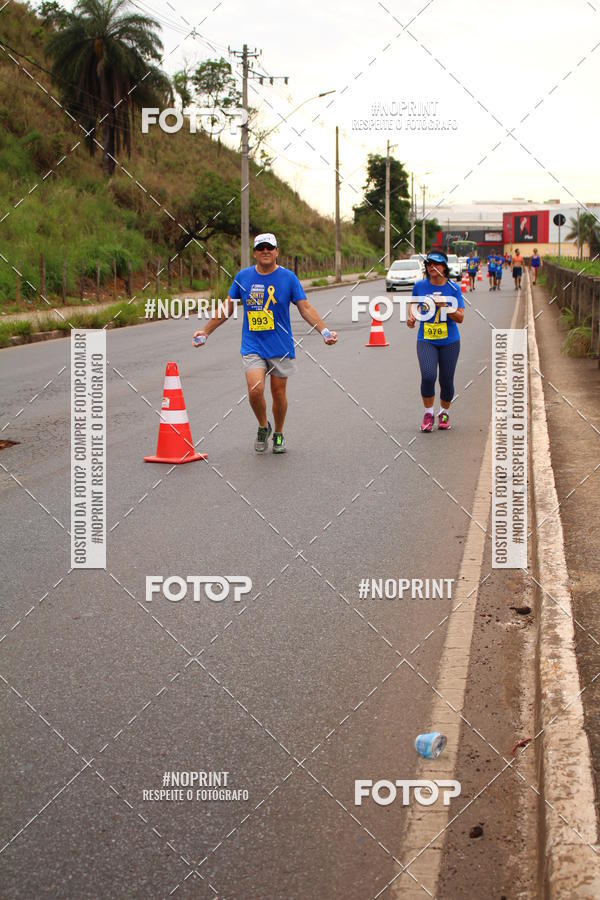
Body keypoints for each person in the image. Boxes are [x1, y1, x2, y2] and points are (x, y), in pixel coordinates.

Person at [193, 232, 337, 453]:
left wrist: (324, 331)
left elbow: (305, 307)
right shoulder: (243, 277)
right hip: (253, 344)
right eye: (261, 248)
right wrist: (205, 331)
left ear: (277, 251)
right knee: (255, 389)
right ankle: (263, 426)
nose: (266, 251)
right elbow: (227, 307)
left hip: (280, 344)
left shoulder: (288, 278)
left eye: (270, 247)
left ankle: (279, 433)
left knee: (278, 393)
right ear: (255, 253)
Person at [407, 250, 465, 432]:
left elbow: (461, 317)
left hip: (449, 341)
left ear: (444, 267)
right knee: (428, 375)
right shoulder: (420, 286)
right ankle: (428, 413)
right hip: (427, 339)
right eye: (429, 264)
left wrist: (445, 306)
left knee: (446, 380)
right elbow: (414, 304)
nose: (432, 267)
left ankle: (444, 413)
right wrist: (411, 317)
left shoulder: (453, 288)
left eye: (436, 264)